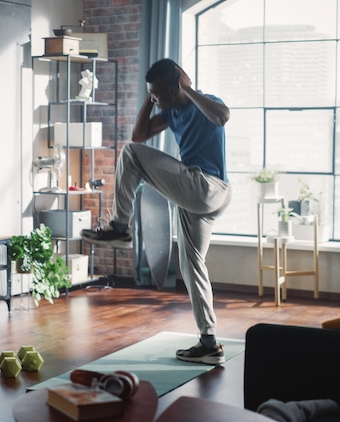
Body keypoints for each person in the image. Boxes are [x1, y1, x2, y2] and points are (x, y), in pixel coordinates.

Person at [81, 58, 232, 365]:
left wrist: (187, 90)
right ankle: (209, 342)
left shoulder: (204, 103)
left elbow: (222, 116)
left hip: (207, 186)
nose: (156, 100)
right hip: (195, 196)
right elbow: (139, 134)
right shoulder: (170, 112)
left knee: (130, 154)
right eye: (152, 95)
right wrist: (151, 103)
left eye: (159, 94)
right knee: (192, 268)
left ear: (178, 85)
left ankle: (120, 227)